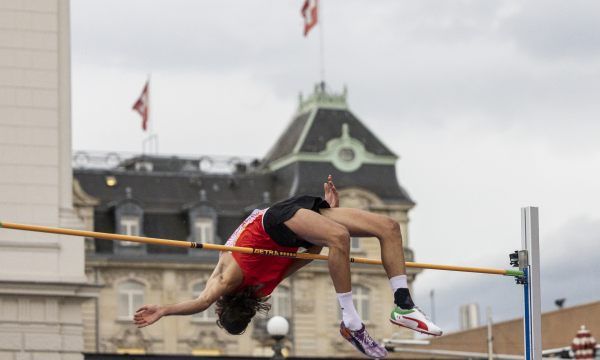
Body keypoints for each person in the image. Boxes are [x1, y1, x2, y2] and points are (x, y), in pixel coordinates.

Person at [134, 175, 442, 358]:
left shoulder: (253, 285)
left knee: (387, 228)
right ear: (223, 306)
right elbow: (201, 301)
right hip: (279, 222)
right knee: (364, 232)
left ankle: (403, 305)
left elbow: (310, 253)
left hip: (287, 221)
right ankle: (351, 319)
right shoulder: (229, 280)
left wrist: (165, 310)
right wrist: (163, 309)